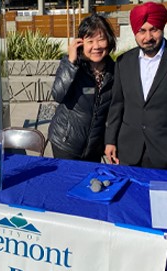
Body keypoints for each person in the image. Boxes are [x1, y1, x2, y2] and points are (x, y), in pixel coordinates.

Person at [104, 2, 167, 170]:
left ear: (162, 28)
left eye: (153, 29)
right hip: (128, 149)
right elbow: (117, 105)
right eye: (142, 31)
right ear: (135, 32)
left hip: (165, 150)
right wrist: (110, 140)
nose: (147, 37)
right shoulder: (123, 62)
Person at [48, 14, 116, 162]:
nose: (96, 46)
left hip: (94, 147)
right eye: (90, 41)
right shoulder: (73, 66)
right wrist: (70, 63)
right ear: (81, 43)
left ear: (109, 41)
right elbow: (58, 95)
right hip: (66, 143)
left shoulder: (114, 71)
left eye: (101, 39)